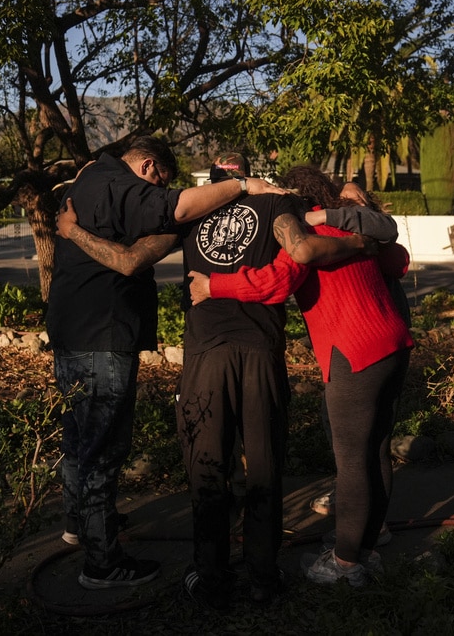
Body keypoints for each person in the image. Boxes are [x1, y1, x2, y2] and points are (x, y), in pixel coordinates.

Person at [54, 152, 374, 607]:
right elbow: (304, 242)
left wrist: (73, 232)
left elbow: (127, 260)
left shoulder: (191, 217)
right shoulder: (276, 207)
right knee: (263, 466)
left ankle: (210, 577)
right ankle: (264, 576)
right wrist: (359, 229)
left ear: (217, 180)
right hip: (260, 351)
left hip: (206, 356)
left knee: (207, 467)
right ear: (250, 178)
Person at [45, 138, 286, 590]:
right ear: (148, 167)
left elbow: (129, 249)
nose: (160, 193)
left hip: (71, 329)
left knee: (79, 438)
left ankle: (81, 524)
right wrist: (242, 185)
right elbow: (149, 239)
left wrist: (72, 231)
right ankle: (101, 562)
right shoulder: (120, 186)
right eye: (160, 182)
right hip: (104, 333)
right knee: (104, 446)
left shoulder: (87, 181)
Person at [188, 165, 414, 587]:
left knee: (352, 462)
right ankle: (366, 540)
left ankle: (346, 564)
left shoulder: (305, 235)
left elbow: (273, 283)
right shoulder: (350, 227)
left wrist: (212, 287)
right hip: (394, 345)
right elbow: (398, 261)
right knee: (377, 449)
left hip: (353, 353)